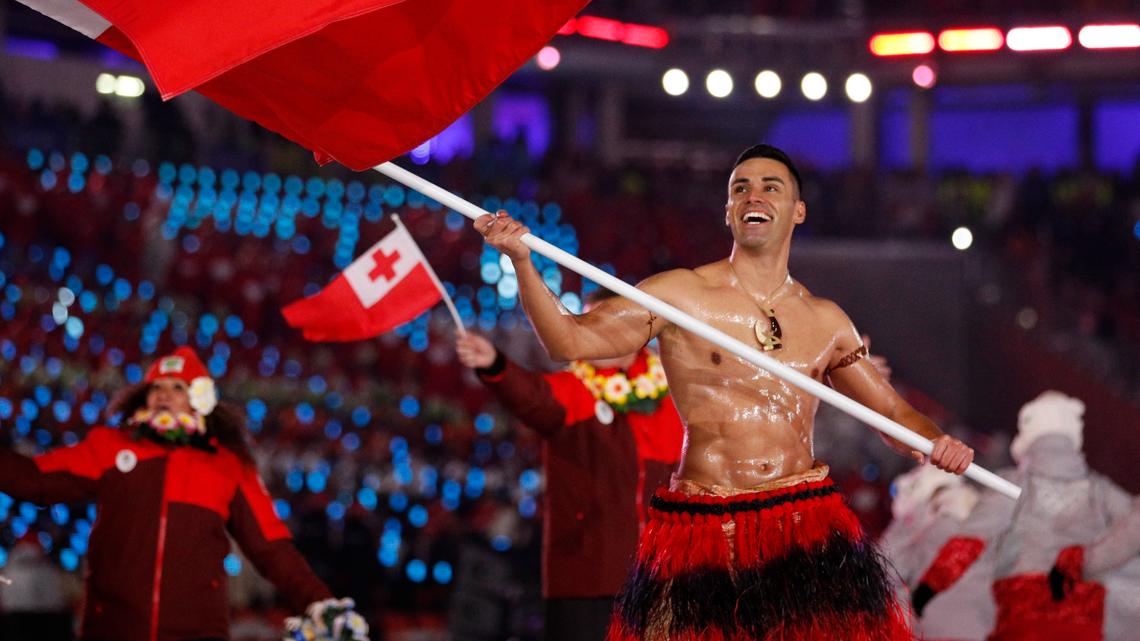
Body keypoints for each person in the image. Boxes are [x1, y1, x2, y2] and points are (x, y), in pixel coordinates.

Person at [474, 143, 975, 640]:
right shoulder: (681, 294)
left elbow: (890, 413)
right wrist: (522, 261)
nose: (753, 196)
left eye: (770, 187)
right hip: (705, 525)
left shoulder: (825, 320)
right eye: (741, 188)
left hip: (804, 522)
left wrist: (937, 445)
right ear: (729, 210)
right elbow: (570, 341)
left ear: (797, 211)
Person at [0, 347, 367, 641]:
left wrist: (321, 603)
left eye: (178, 387)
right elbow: (35, 480)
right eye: (157, 387)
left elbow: (271, 548)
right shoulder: (110, 447)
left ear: (200, 400)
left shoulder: (228, 465)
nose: (164, 395)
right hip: (112, 630)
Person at [455, 288, 684, 641]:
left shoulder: (673, 395)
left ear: (636, 331)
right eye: (585, 324)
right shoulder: (573, 389)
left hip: (663, 580)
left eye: (603, 324)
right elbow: (530, 396)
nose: (590, 335)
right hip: (586, 579)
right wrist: (495, 365)